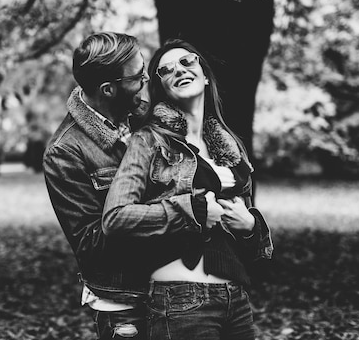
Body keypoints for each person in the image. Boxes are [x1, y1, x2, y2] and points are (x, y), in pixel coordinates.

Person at [102, 39, 273, 340]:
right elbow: (115, 218)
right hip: (182, 300)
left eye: (187, 61)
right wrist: (190, 210)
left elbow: (254, 246)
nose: (178, 70)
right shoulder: (149, 141)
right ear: (161, 88)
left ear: (205, 75)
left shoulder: (232, 147)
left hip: (237, 299)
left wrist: (250, 226)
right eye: (165, 70)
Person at [43, 32, 203, 340]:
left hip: (179, 289)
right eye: (138, 77)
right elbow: (91, 244)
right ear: (109, 89)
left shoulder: (145, 115)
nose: (146, 81)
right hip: (125, 303)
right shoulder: (64, 152)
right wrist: (176, 212)